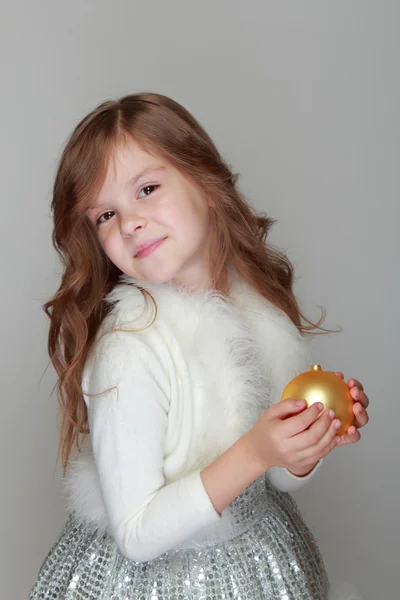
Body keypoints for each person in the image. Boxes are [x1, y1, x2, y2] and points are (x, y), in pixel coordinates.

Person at [29, 92, 369, 600]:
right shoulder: (130, 348)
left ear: (206, 184)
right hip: (150, 585)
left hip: (252, 565)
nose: (129, 222)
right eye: (104, 216)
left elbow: (280, 480)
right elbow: (138, 535)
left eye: (147, 189)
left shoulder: (255, 311)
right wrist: (255, 451)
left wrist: (304, 445)